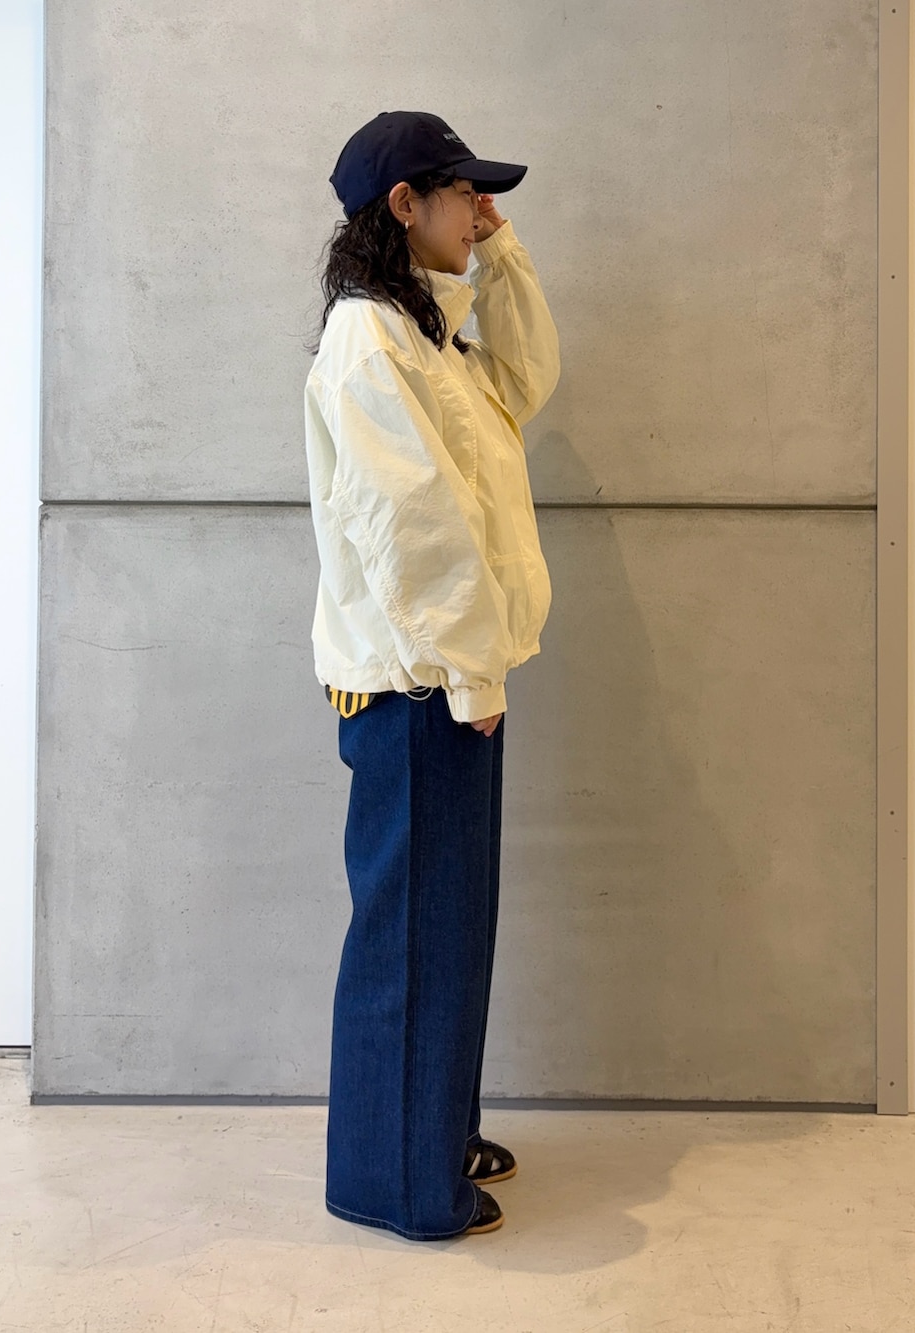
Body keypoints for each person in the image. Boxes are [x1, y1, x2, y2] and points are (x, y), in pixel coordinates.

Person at [304, 111, 560, 1241]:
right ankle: (394, 1180)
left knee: (449, 926)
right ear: (404, 204)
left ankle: (430, 1134)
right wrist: (469, 672)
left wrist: (501, 255)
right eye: (464, 192)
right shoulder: (369, 341)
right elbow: (410, 527)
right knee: (411, 935)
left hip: (450, 676)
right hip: (419, 684)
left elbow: (528, 381)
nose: (480, 208)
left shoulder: (428, 335)